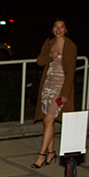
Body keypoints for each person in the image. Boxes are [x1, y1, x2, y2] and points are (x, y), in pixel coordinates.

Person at [31, 18, 77, 168]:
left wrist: (65, 93)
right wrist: (51, 55)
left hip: (60, 87)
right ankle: (51, 152)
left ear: (66, 29)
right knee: (48, 120)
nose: (58, 30)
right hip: (48, 85)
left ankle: (41, 155)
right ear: (52, 29)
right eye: (56, 27)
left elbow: (71, 72)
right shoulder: (49, 42)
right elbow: (39, 61)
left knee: (48, 121)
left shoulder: (71, 46)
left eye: (62, 27)